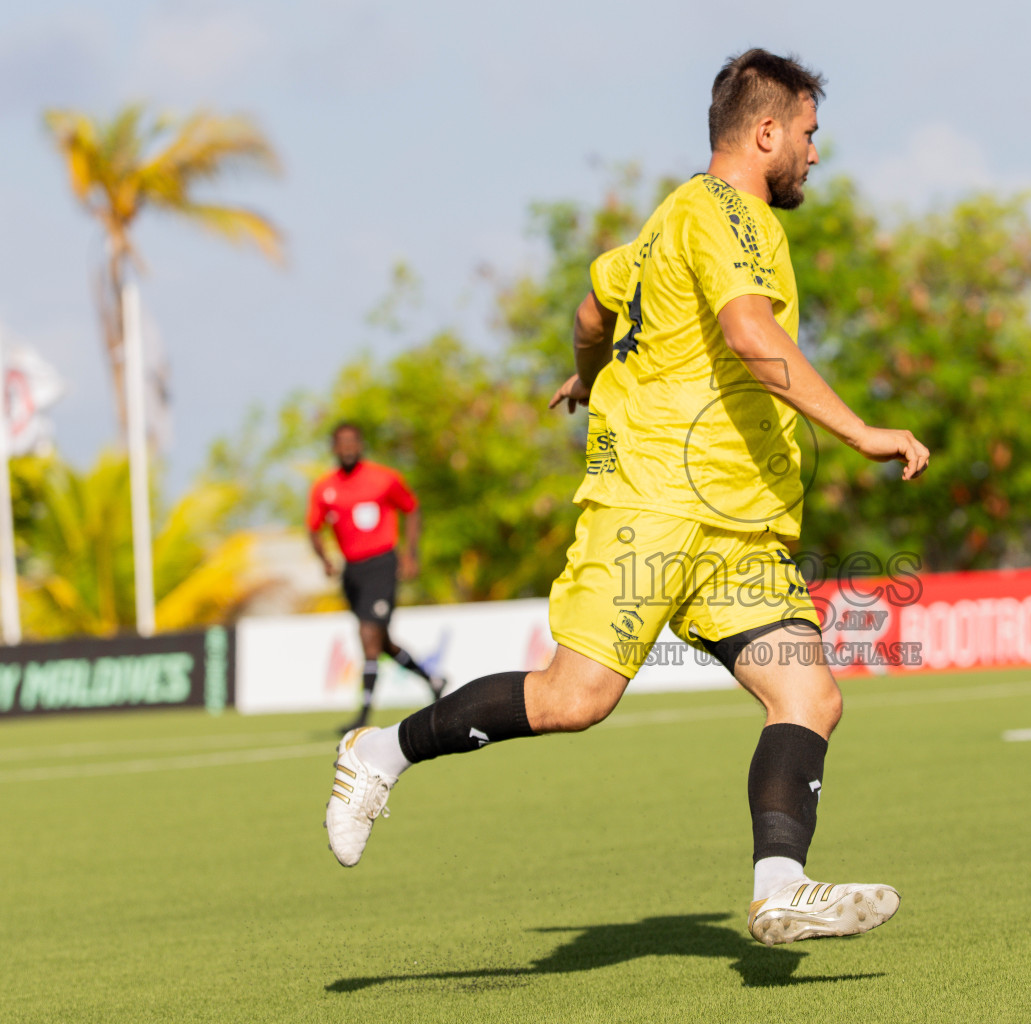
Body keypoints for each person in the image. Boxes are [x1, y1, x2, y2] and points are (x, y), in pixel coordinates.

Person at [322, 50, 930, 947]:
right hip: (654, 504)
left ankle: (779, 888)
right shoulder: (730, 215)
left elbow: (591, 310)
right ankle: (378, 751)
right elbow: (749, 331)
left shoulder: (663, 226)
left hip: (738, 522)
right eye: (807, 134)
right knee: (575, 699)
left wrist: (585, 376)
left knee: (810, 696)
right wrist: (863, 431)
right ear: (766, 133)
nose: (813, 153)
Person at [308, 422, 444, 733]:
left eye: (352, 442)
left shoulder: (384, 478)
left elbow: (411, 508)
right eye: (341, 443)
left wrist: (410, 553)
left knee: (368, 636)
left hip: (382, 564)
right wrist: (324, 560)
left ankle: (363, 716)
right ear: (333, 448)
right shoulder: (324, 488)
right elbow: (314, 528)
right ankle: (434, 680)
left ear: (361, 445)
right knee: (382, 643)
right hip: (352, 571)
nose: (347, 448)